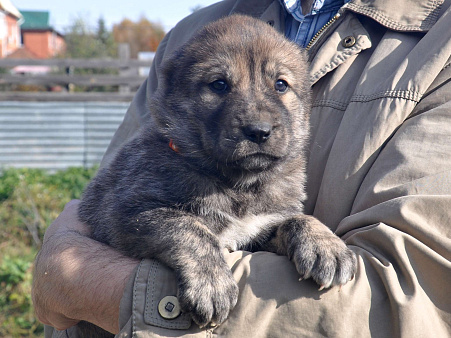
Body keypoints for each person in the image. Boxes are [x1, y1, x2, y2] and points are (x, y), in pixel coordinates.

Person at [32, 0, 451, 337]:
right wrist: (194, 248)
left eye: (281, 85)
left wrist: (299, 227)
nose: (257, 119)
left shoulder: (439, 38)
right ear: (173, 97)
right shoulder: (188, 41)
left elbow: (409, 304)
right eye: (219, 86)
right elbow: (119, 214)